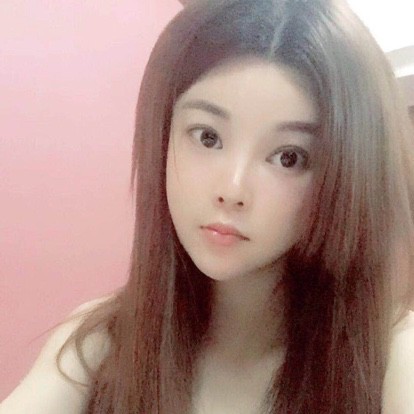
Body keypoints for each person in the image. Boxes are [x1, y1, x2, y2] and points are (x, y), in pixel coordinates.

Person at [2, 0, 414, 412]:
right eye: (207, 137)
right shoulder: (99, 343)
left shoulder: (392, 353)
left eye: (289, 157)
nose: (232, 189)